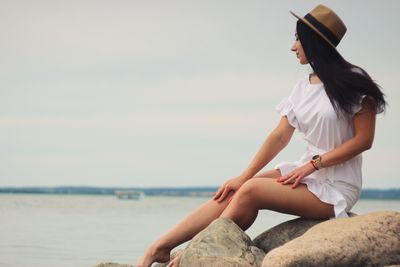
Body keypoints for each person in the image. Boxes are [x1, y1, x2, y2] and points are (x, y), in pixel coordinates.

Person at [137, 4, 386, 267]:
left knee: (252, 191)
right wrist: (242, 176)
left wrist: (312, 165)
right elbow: (279, 136)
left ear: (314, 42)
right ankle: (159, 248)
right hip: (306, 173)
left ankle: (190, 254)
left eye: (298, 39)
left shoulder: (354, 80)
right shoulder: (302, 88)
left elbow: (363, 141)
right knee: (233, 190)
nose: (293, 46)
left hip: (337, 186)